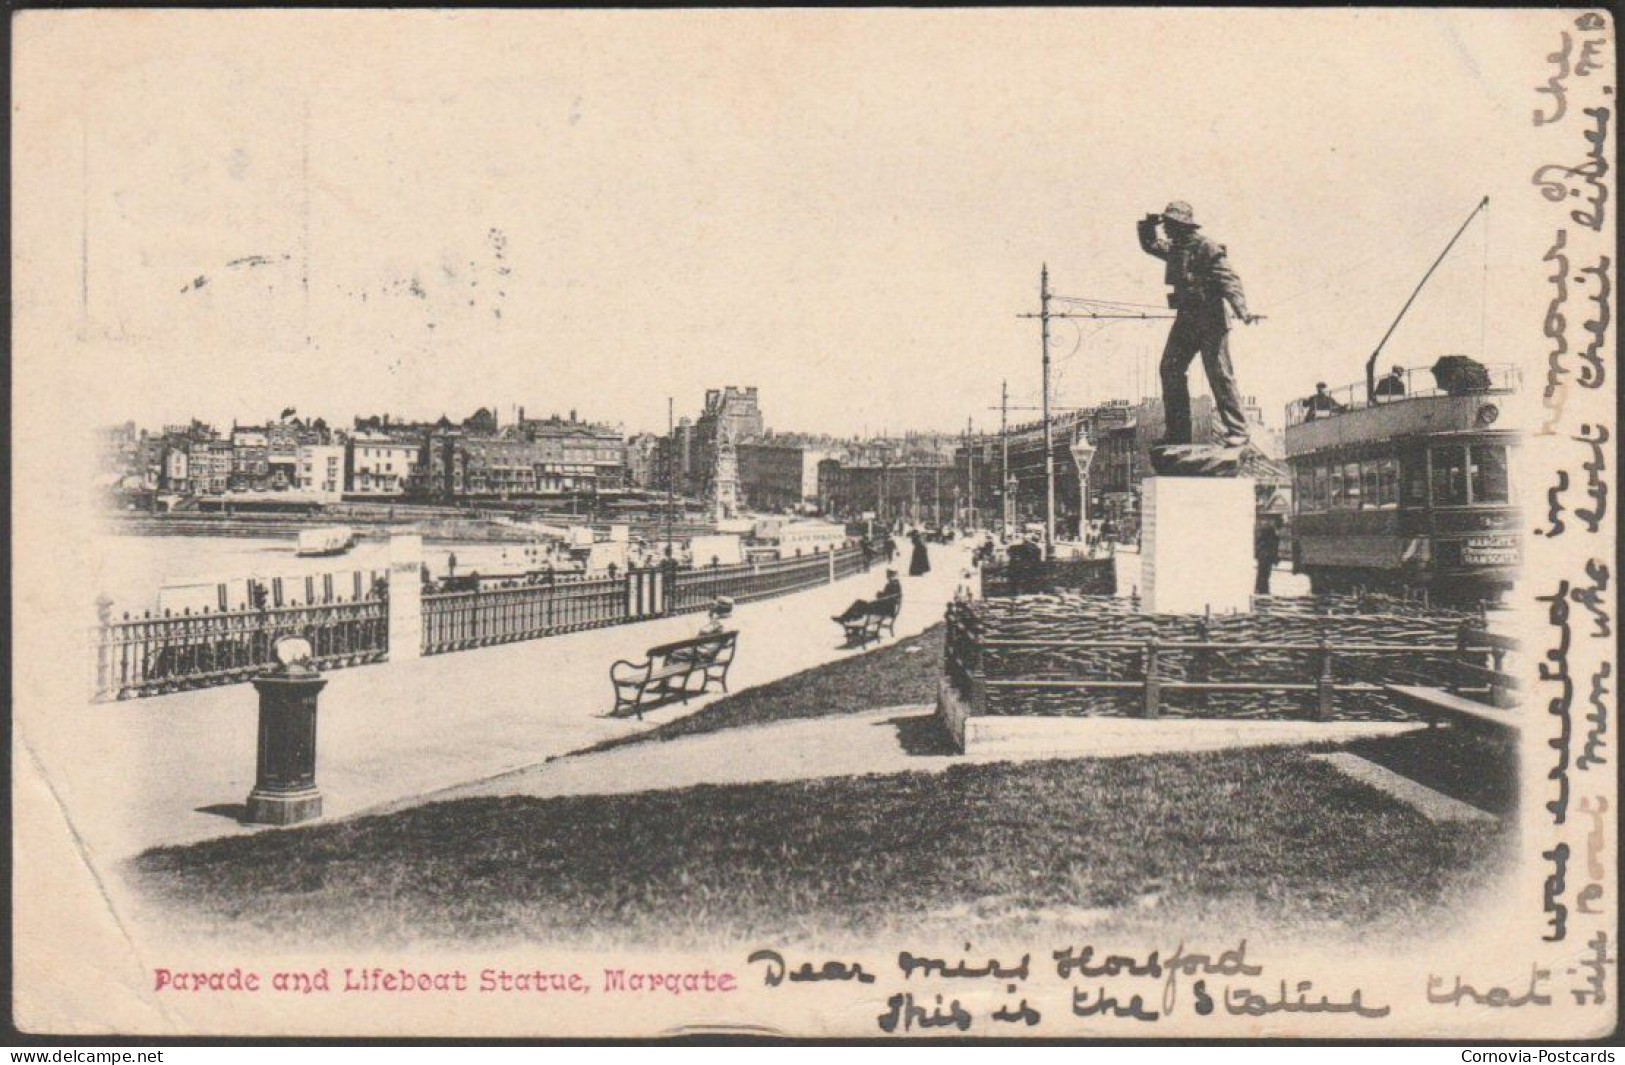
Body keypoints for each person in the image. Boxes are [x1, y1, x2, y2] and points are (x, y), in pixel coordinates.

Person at [1138, 201, 1259, 447]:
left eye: (1169, 225)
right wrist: (1148, 226)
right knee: (1170, 368)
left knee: (1219, 373)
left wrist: (1242, 310)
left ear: (1182, 225)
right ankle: (1178, 433)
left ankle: (1238, 431)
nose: (1167, 230)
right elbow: (1150, 245)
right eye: (1166, 225)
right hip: (1187, 318)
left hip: (1211, 319)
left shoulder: (1206, 246)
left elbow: (1230, 280)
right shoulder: (1176, 247)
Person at [832, 570, 902, 624]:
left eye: (888, 575)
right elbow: (888, 597)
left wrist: (879, 594)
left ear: (891, 575)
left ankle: (846, 619)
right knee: (860, 604)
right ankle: (848, 618)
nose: (887, 576)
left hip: (884, 610)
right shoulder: (896, 584)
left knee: (859, 604)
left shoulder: (892, 585)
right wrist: (881, 595)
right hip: (886, 609)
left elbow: (886, 598)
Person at [1254, 515, 1283, 596]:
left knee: (1262, 573)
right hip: (1265, 556)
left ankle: (1260, 589)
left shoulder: (1267, 530)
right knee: (1264, 573)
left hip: (1263, 556)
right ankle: (1262, 590)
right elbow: (1272, 546)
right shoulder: (1270, 531)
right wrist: (1275, 558)